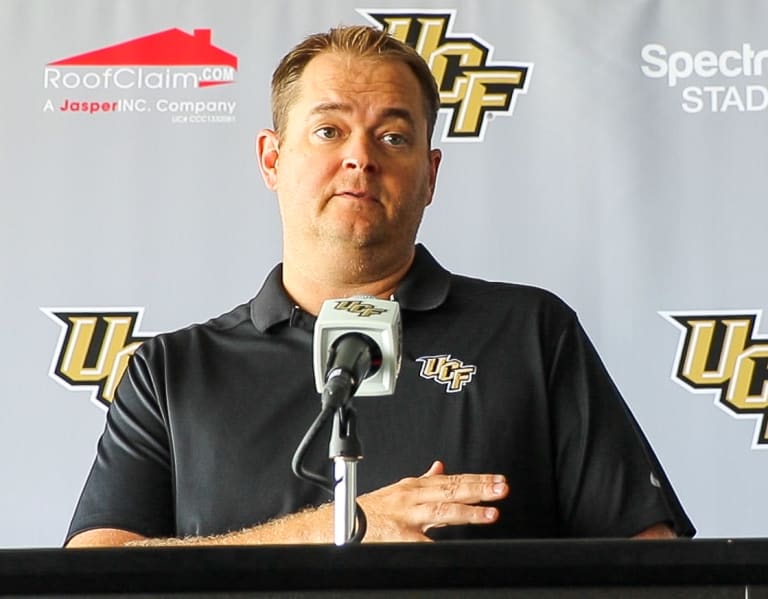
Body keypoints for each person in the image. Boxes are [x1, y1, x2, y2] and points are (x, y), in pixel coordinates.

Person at [65, 25, 694, 547]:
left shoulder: (530, 332)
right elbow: (98, 573)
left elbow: (649, 563)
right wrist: (343, 526)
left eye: (393, 137)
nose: (360, 157)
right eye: (328, 130)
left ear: (430, 174)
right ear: (271, 159)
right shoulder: (173, 370)